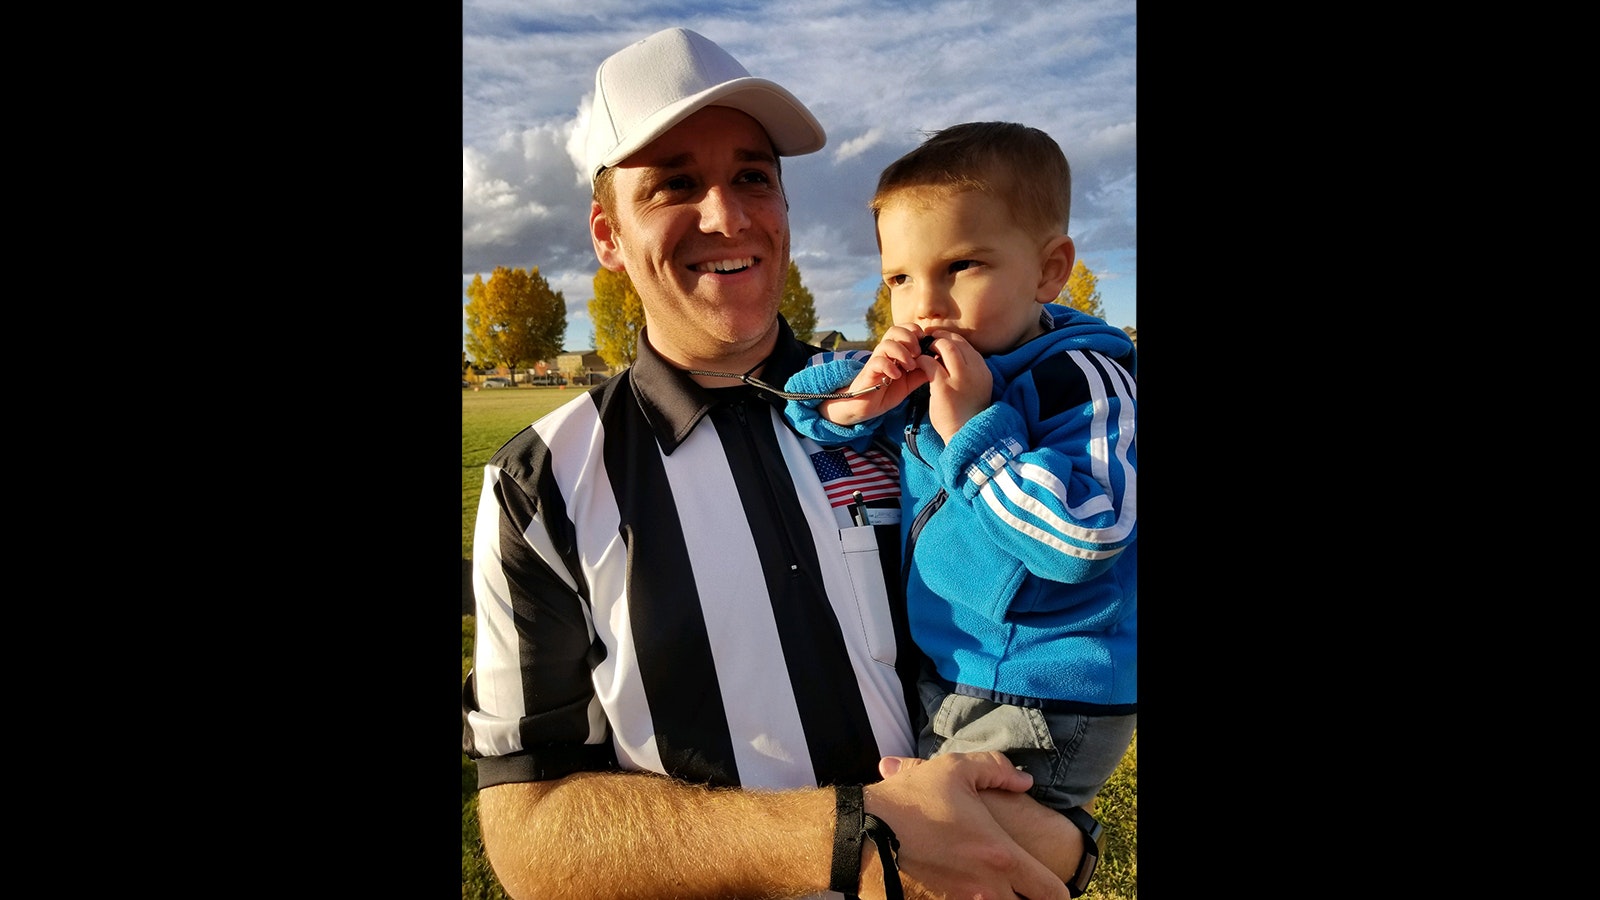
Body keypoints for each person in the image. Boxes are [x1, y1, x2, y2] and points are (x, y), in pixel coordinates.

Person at [462, 27, 1099, 900]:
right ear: (608, 237)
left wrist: (1052, 834)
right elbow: (528, 834)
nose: (727, 216)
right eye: (675, 185)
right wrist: (853, 842)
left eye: (753, 176)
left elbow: (1060, 637)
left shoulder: (926, 404)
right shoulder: (541, 485)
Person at [782, 121, 1137, 819]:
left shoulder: (1084, 381)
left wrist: (973, 430)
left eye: (961, 267)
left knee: (945, 852)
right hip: (956, 669)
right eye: (900, 279)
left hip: (1046, 690)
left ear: (1049, 269)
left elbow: (1085, 537)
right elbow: (809, 403)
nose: (925, 304)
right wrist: (858, 401)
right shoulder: (941, 368)